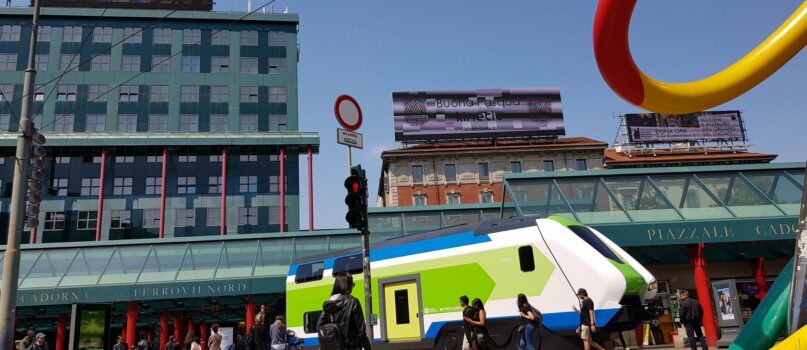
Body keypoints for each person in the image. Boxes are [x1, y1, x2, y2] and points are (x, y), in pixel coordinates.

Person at [316, 273, 372, 350]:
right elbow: (361, 331)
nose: (353, 287)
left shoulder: (328, 303)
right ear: (347, 286)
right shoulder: (352, 301)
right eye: (352, 284)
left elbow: (319, 326)